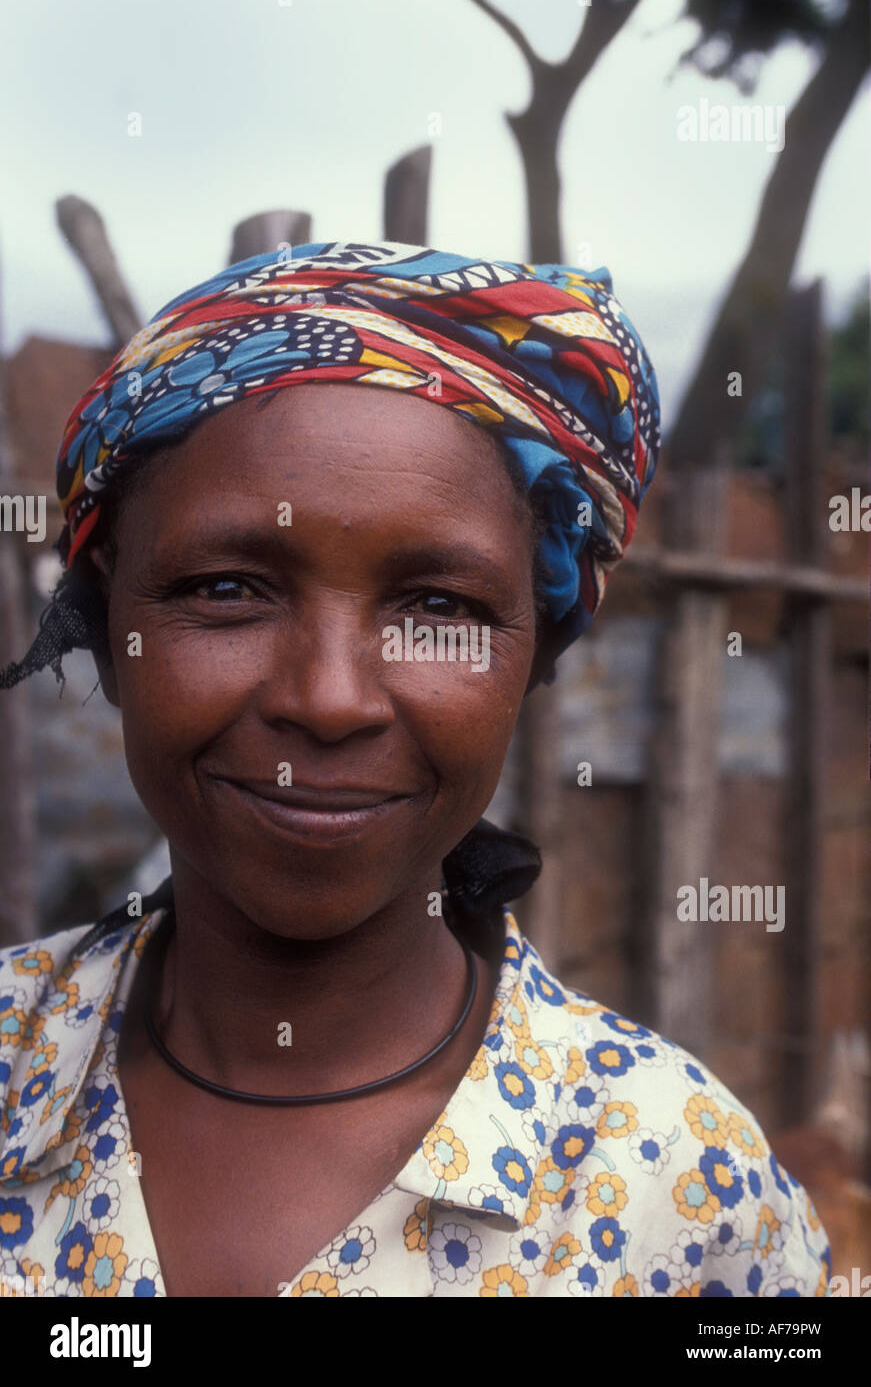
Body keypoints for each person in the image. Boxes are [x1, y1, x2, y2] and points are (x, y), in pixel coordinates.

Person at [0, 241, 830, 1298]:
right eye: (225, 589)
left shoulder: (683, 1187)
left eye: (438, 607)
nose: (331, 696)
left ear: (536, 649)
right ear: (108, 619)